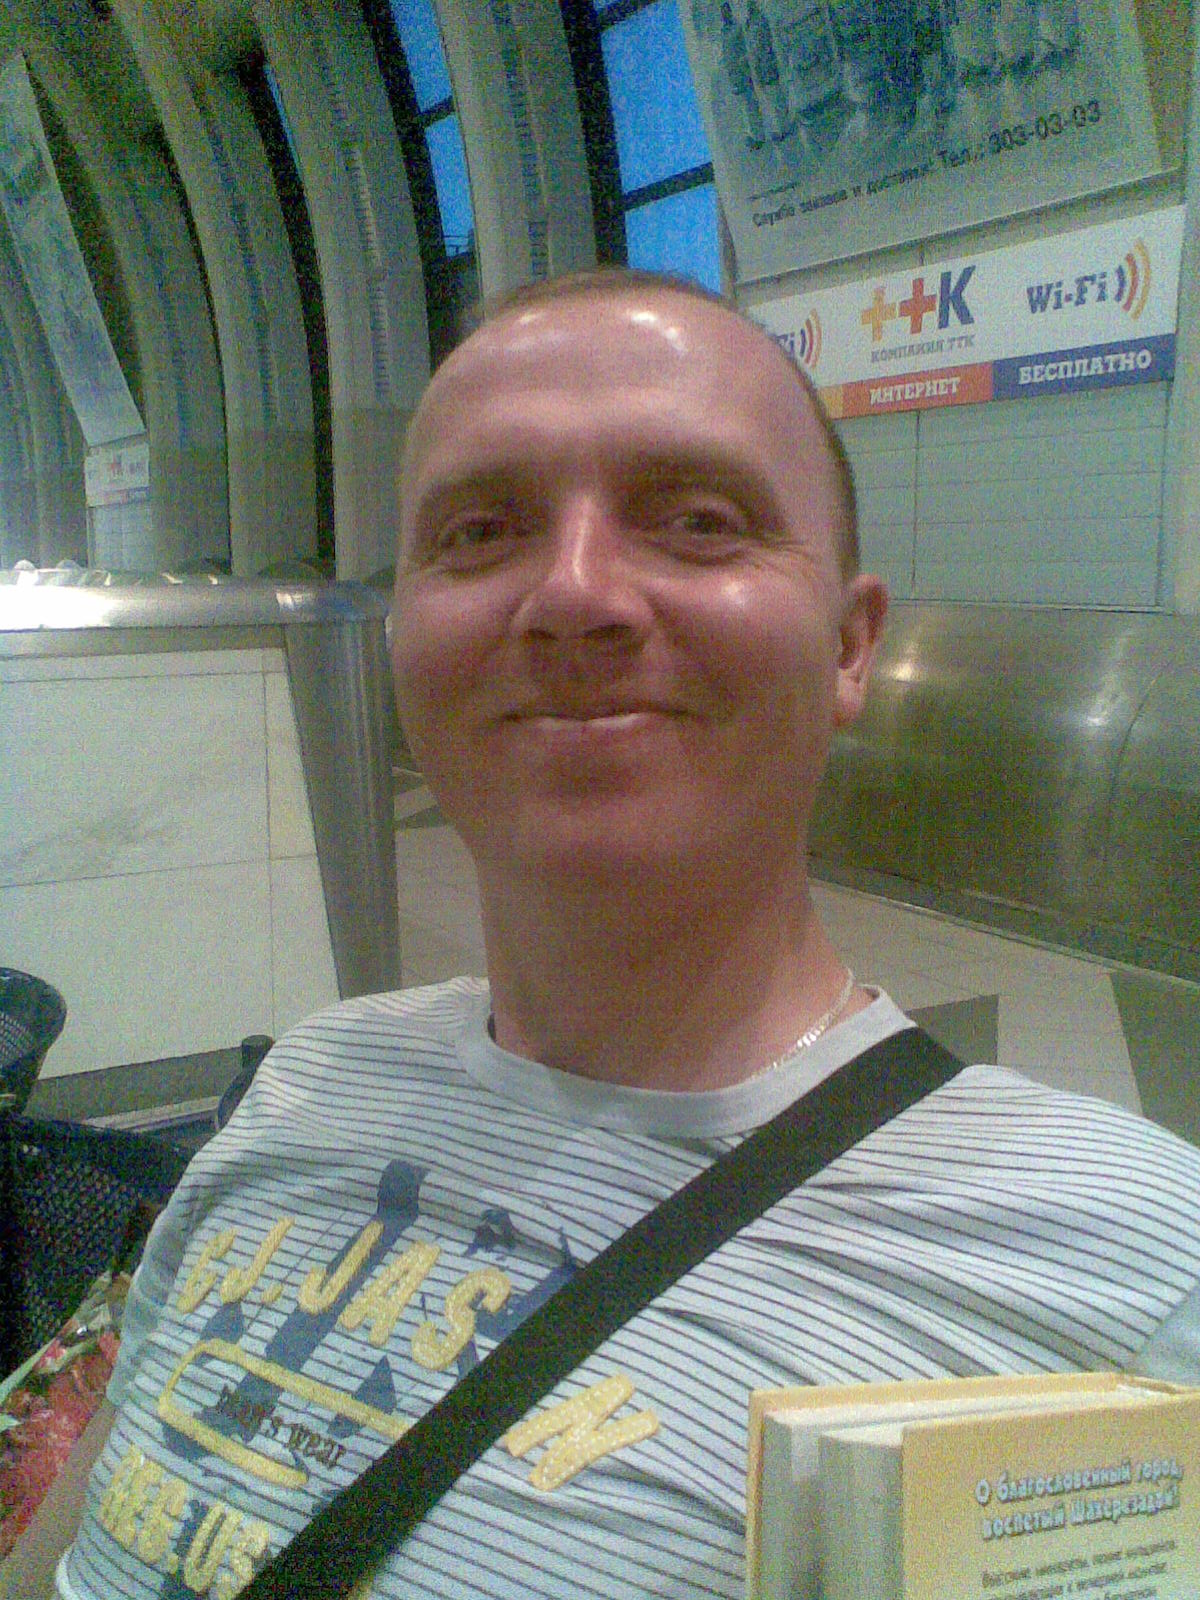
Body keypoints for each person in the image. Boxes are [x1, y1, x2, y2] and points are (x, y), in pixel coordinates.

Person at [9, 269, 1200, 1600]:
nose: (575, 595)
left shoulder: (1126, 1265)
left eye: (698, 522)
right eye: (480, 531)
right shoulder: (308, 1080)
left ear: (850, 648)